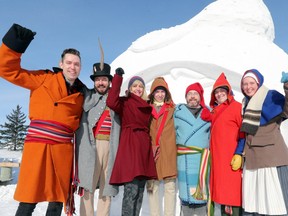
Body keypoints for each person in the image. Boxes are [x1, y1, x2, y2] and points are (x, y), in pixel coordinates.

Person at [0, 23, 84, 216]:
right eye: (69, 62)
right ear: (61, 64)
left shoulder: (82, 94)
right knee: (28, 200)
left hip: (62, 151)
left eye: (77, 64)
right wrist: (14, 45)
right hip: (38, 148)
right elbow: (7, 70)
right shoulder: (43, 78)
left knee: (56, 202)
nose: (73, 66)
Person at [106, 69, 157, 216]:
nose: (138, 89)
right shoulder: (125, 102)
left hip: (143, 150)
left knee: (140, 192)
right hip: (130, 148)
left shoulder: (147, 106)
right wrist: (118, 78)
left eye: (140, 86)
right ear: (129, 89)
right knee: (131, 190)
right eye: (134, 86)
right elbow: (111, 101)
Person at [239, 69, 288, 215]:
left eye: (251, 83)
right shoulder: (244, 103)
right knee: (256, 203)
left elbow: (286, 110)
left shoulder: (270, 96)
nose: (248, 87)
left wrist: (287, 89)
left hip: (271, 158)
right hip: (253, 160)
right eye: (245, 84)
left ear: (258, 83)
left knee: (275, 202)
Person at [75, 61, 120, 216]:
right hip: (91, 147)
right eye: (98, 79)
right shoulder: (87, 97)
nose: (101, 82)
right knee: (87, 187)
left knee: (107, 188)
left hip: (111, 147)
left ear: (109, 82)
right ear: (94, 81)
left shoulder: (115, 100)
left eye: (104, 79)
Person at [174, 82, 211, 216]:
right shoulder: (177, 113)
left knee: (201, 197)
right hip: (184, 159)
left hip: (202, 160)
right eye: (189, 94)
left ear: (200, 96)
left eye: (195, 93)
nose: (192, 97)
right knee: (186, 196)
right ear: (186, 97)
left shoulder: (209, 113)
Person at [209, 73, 244, 216]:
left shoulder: (237, 107)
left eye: (222, 91)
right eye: (216, 92)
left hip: (232, 161)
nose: (219, 94)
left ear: (228, 91)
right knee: (223, 197)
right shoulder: (214, 112)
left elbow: (244, 133)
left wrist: (239, 153)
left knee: (234, 196)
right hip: (219, 163)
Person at [146, 77, 177, 216]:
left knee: (170, 187)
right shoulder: (146, 110)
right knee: (153, 188)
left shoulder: (173, 110)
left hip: (169, 153)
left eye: (162, 91)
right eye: (157, 91)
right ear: (152, 93)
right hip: (152, 154)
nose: (160, 94)